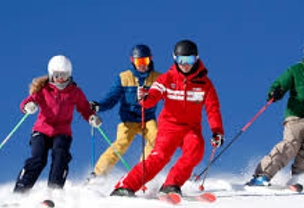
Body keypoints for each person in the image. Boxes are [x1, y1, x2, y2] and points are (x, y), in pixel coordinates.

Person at [110, 39, 225, 197]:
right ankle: (125, 186)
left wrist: (217, 131)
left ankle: (171, 185)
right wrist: (144, 98)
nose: (185, 64)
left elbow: (213, 109)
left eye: (189, 60)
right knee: (159, 157)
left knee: (196, 149)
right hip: (169, 128)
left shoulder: (205, 84)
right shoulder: (167, 79)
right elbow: (152, 97)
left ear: (196, 59)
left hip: (191, 129)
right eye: (181, 60)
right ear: (175, 59)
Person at [247, 36, 304, 187]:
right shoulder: (296, 70)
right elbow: (279, 84)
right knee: (290, 145)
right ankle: (262, 175)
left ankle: (300, 175)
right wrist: (275, 92)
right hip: (295, 118)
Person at [13, 55, 102, 193]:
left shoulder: (75, 92)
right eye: (57, 75)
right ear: (51, 74)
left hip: (62, 132)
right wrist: (28, 106)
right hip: (42, 130)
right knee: (38, 159)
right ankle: (21, 190)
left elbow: (84, 108)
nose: (61, 78)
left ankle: (54, 191)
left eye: (64, 75)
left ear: (69, 74)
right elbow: (26, 102)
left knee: (61, 156)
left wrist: (92, 118)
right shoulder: (44, 90)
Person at [88, 45, 160, 179]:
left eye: (145, 61)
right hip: (128, 120)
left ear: (150, 60)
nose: (142, 66)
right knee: (122, 142)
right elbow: (112, 98)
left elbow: (170, 91)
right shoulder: (124, 77)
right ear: (132, 61)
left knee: (157, 140)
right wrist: (98, 106)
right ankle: (98, 174)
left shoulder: (157, 78)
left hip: (148, 119)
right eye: (139, 62)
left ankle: (143, 174)